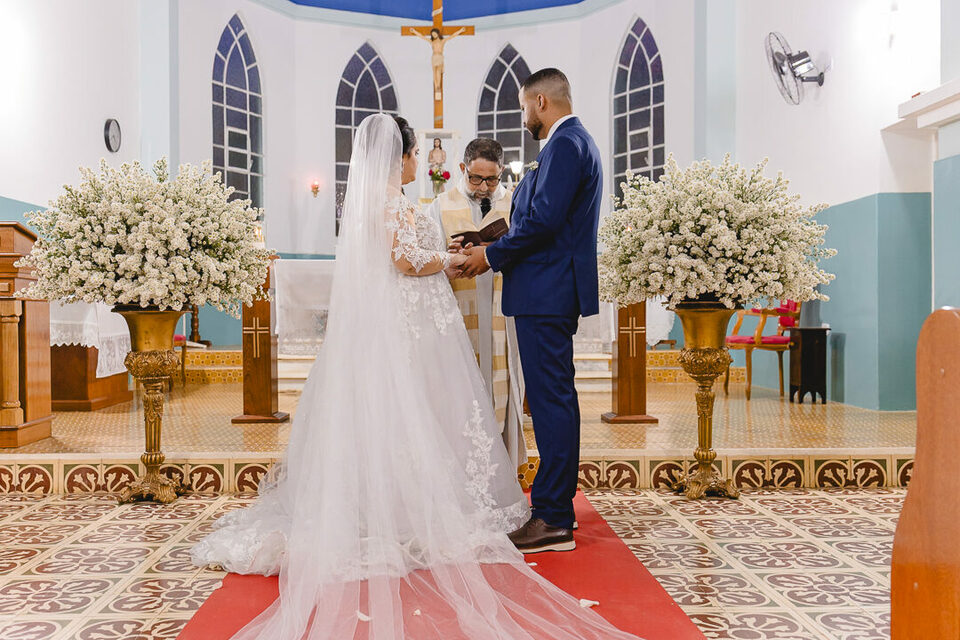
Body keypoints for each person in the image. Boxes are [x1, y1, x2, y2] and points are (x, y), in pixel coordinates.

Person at [190, 113, 640, 639]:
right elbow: (405, 262)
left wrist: (458, 254)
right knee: (411, 412)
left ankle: (420, 505)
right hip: (407, 324)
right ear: (398, 156)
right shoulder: (389, 203)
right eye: (412, 154)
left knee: (411, 414)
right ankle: (404, 511)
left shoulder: (387, 201)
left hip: (412, 323)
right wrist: (448, 259)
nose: (418, 161)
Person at [460, 68, 603, 554]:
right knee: (550, 398)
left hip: (547, 290)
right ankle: (555, 507)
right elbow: (540, 217)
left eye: (524, 107)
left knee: (550, 400)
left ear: (541, 101)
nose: (524, 117)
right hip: (547, 288)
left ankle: (553, 518)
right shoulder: (570, 143)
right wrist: (486, 239)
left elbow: (543, 222)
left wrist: (490, 257)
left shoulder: (565, 144)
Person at [424, 137, 526, 469]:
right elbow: (425, 258)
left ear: (502, 172)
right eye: (476, 178)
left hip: (503, 311)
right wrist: (447, 256)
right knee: (459, 391)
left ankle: (502, 469)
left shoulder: (515, 203)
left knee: (503, 384)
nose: (483, 187)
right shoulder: (439, 206)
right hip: (458, 310)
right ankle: (461, 470)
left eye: (491, 180)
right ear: (462, 169)